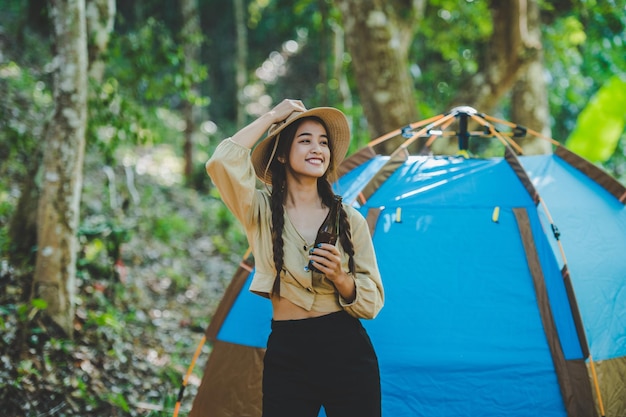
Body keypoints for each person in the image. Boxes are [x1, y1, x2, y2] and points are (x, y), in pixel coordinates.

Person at [206, 99, 384, 417]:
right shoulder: (259, 210)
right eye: (305, 140)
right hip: (287, 350)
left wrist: (341, 277)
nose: (317, 148)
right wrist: (273, 117)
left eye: (323, 142)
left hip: (346, 348)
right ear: (284, 154)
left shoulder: (349, 219)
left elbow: (372, 301)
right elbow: (222, 162)